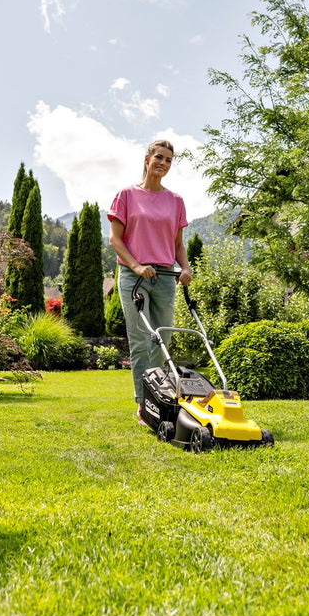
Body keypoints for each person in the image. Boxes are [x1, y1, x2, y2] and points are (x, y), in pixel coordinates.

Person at [108, 139, 192, 422]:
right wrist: (136, 265)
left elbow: (178, 243)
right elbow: (115, 240)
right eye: (159, 157)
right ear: (147, 158)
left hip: (166, 277)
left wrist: (186, 268)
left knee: (162, 339)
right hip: (134, 276)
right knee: (141, 340)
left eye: (169, 160)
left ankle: (162, 400)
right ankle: (144, 405)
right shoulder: (127, 195)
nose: (163, 163)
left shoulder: (176, 200)